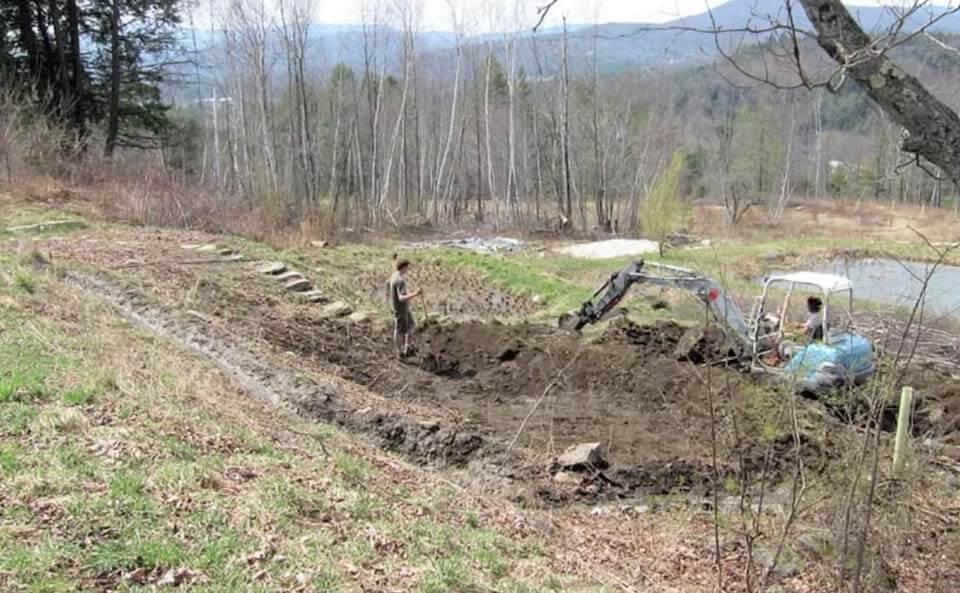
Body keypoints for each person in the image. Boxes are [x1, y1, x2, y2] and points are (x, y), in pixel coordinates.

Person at [387, 259, 421, 357]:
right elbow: (401, 298)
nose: (408, 270)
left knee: (411, 325)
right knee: (398, 330)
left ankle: (407, 347)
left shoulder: (393, 276)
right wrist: (415, 294)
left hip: (401, 308)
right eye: (407, 267)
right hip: (400, 309)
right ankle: (399, 352)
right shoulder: (400, 280)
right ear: (404, 267)